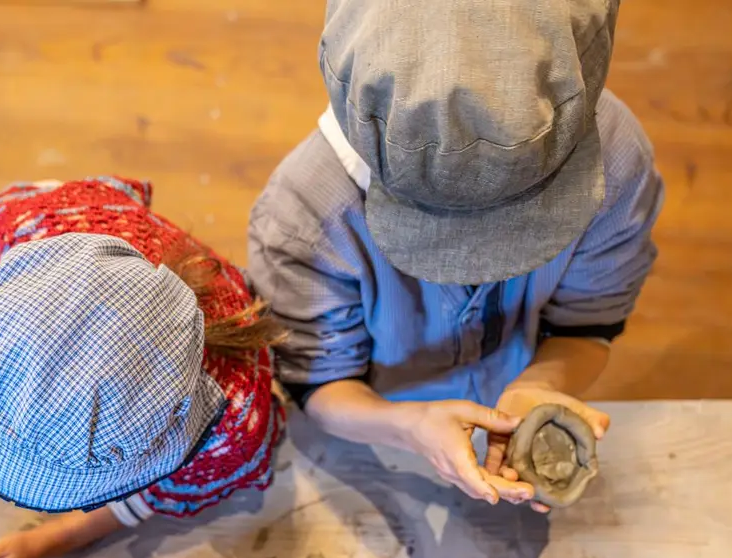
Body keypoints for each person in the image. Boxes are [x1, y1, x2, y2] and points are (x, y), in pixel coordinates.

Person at [247, 0, 663, 511]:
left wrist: (542, 383)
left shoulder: (615, 167)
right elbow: (319, 381)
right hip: (372, 434)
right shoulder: (309, 217)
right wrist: (409, 427)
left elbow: (587, 325)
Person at [0, 177, 286, 558]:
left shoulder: (231, 425)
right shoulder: (22, 228)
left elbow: (153, 494)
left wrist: (50, 540)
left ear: (162, 449)